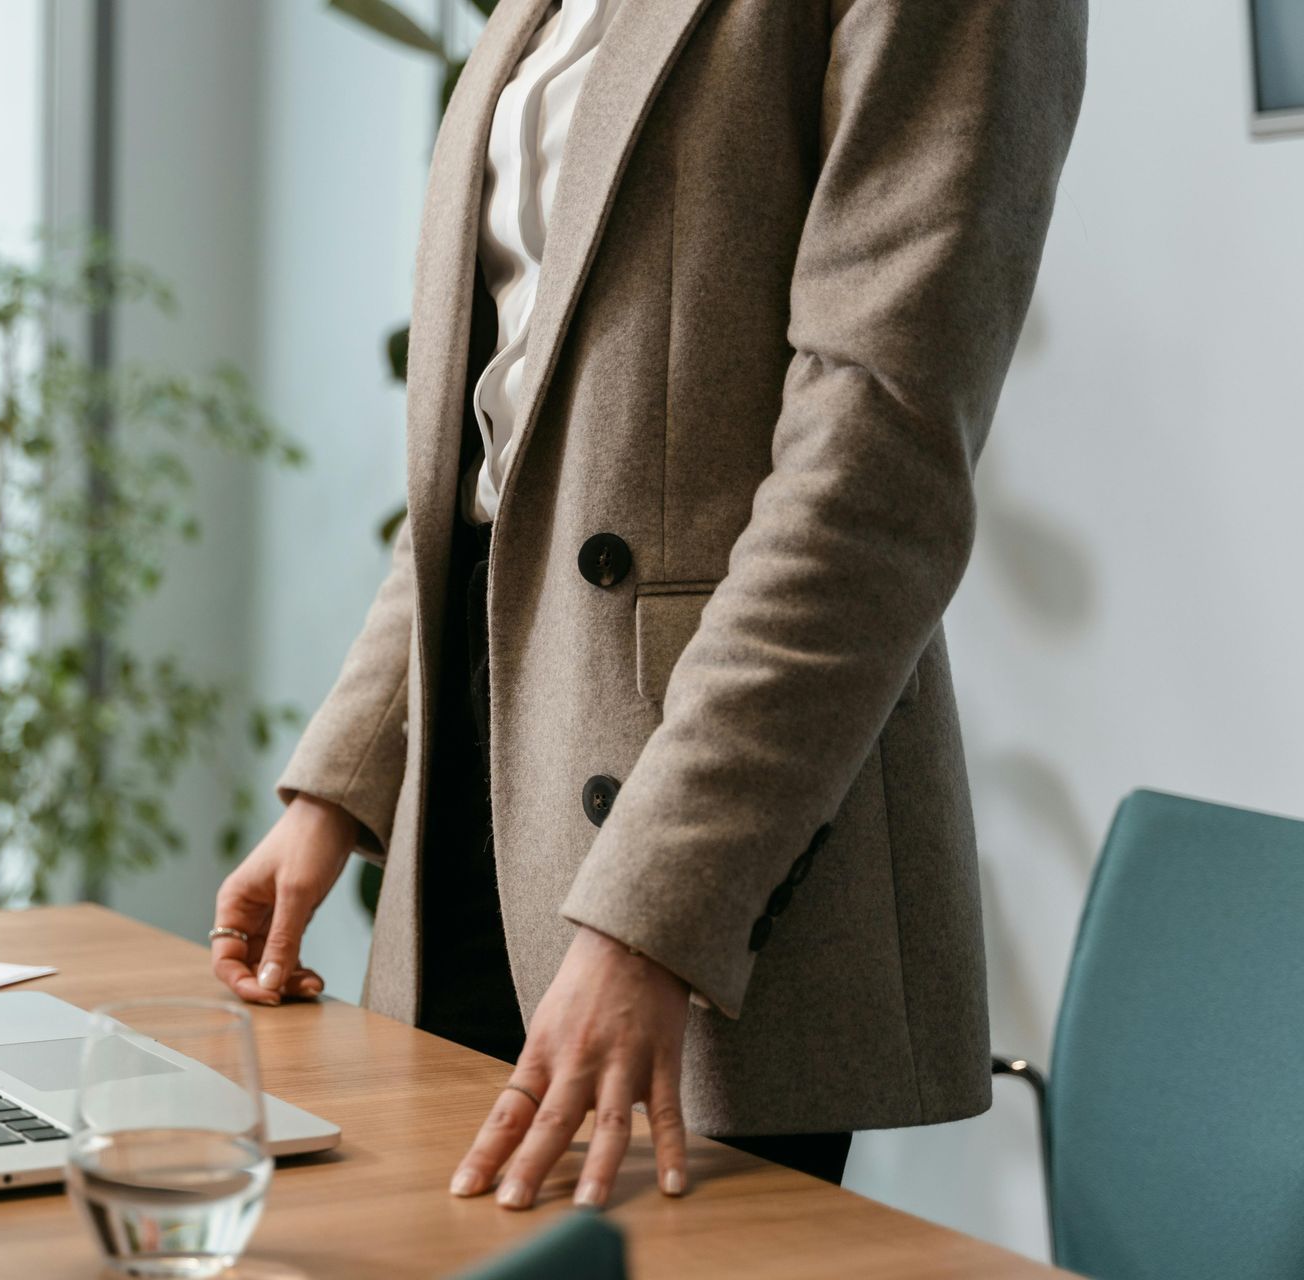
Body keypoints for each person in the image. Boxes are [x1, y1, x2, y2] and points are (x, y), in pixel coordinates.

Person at [212, 0, 1087, 1209]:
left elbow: (877, 462)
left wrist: (657, 909)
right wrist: (347, 773)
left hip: (700, 830)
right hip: (482, 787)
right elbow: (510, 453)